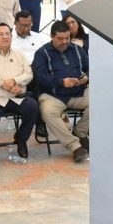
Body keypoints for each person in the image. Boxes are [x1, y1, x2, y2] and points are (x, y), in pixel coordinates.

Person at [0, 23, 39, 167]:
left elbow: (29, 74)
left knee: (33, 106)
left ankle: (21, 139)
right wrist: (4, 84)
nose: (5, 37)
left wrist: (14, 81)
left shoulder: (20, 55)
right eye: (1, 34)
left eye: (8, 34)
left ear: (12, 36)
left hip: (16, 97)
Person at [32, 21, 90, 163]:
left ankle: (80, 132)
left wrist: (86, 77)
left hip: (78, 92)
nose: (65, 42)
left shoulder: (77, 49)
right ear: (52, 37)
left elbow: (90, 68)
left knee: (101, 100)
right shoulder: (41, 53)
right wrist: (61, 82)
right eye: (60, 39)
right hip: (53, 95)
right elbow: (40, 77)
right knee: (47, 112)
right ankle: (75, 146)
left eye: (67, 38)